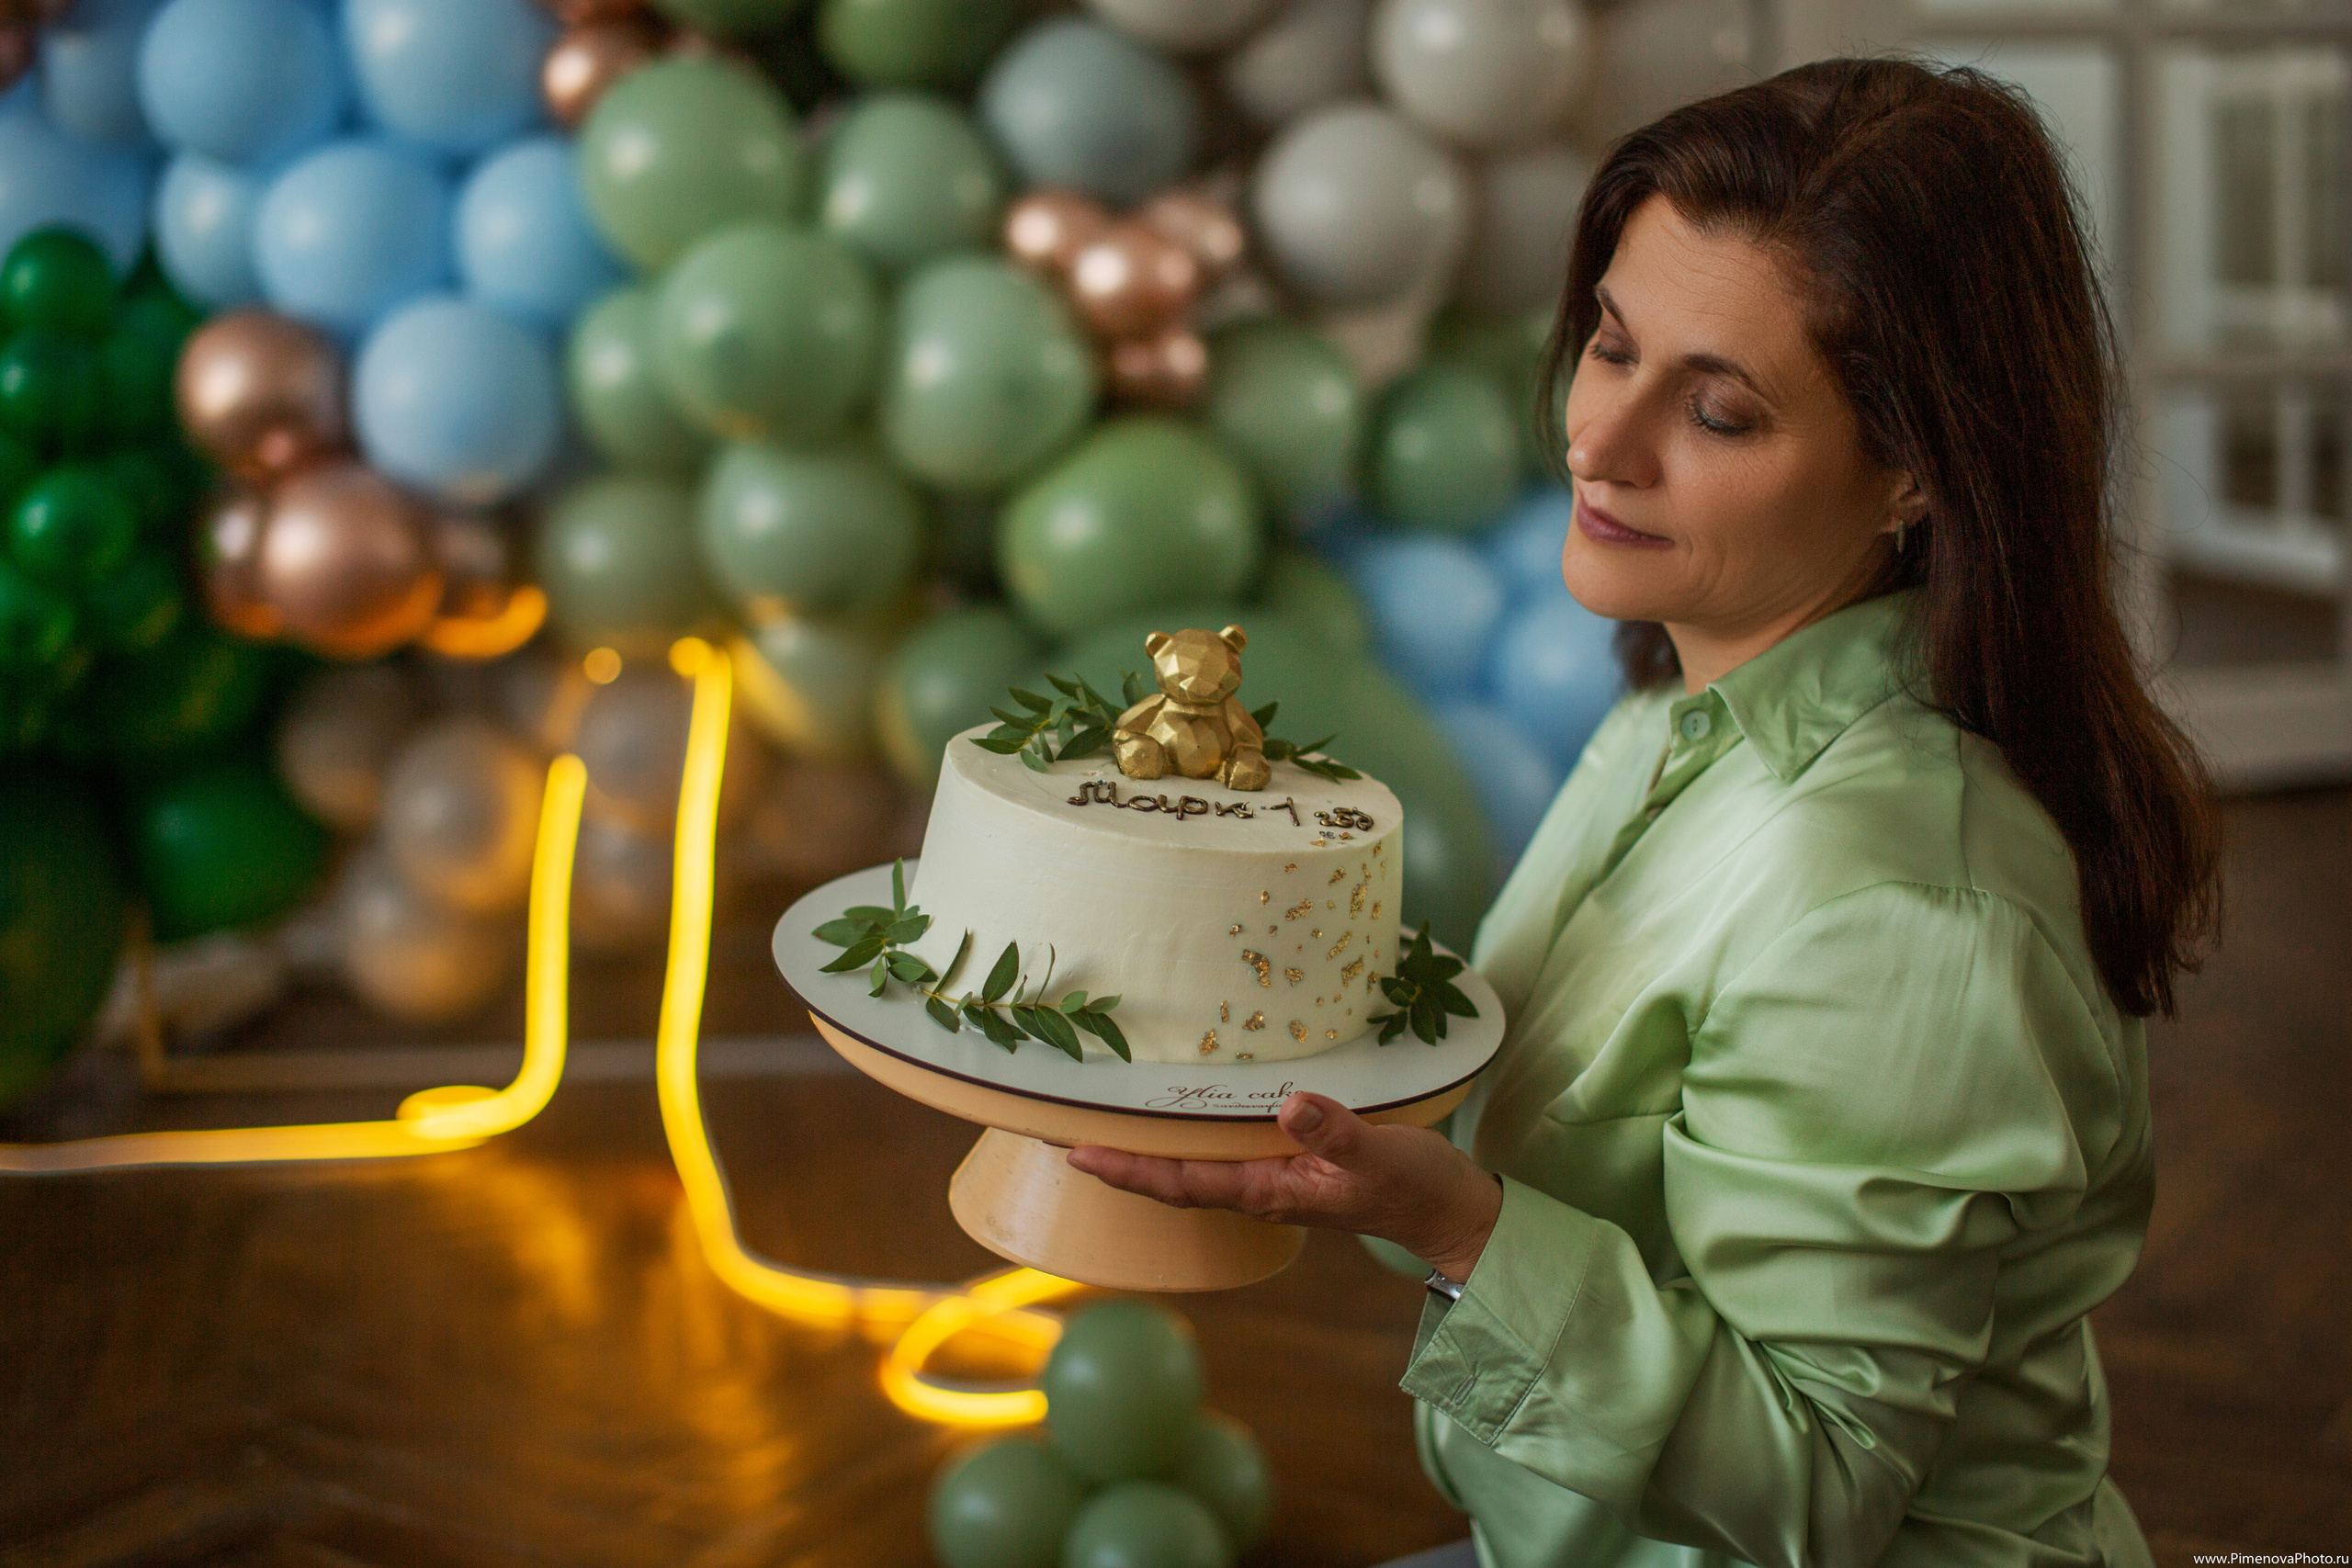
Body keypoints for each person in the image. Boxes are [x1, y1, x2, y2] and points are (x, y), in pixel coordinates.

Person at [1069, 56, 2222, 1568]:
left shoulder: (1898, 904)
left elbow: (1817, 1483)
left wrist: (1462, 1230)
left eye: (1721, 412)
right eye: (1612, 349)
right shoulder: (1670, 712)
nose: (1599, 444)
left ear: (1917, 476)